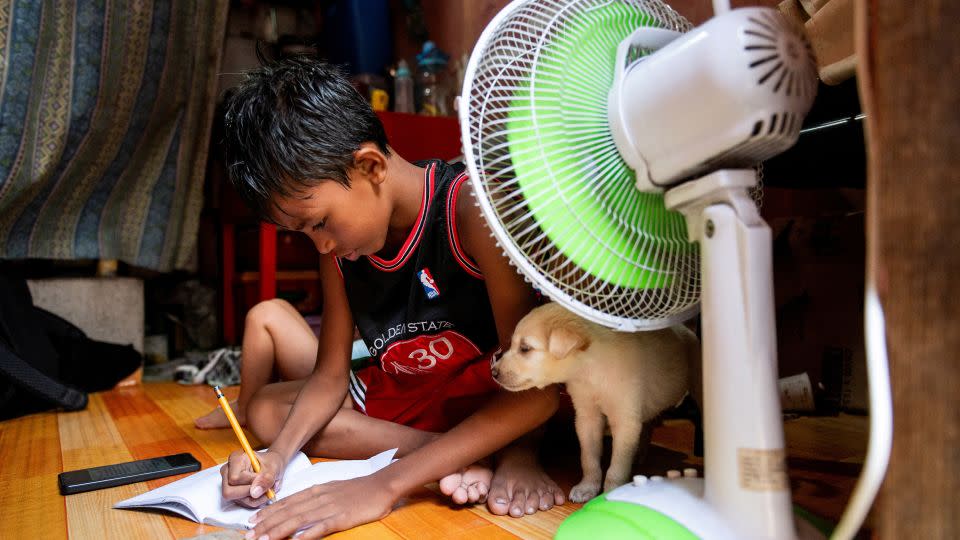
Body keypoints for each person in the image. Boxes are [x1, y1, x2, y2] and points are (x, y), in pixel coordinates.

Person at [218, 57, 565, 539]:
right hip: (415, 397)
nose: (321, 245)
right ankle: (456, 450)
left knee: (532, 397)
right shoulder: (338, 251)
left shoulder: (469, 212)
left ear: (370, 165)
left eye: (319, 223)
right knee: (264, 414)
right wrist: (276, 460)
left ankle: (509, 448)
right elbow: (329, 376)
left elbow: (540, 388)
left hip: (493, 395)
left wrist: (383, 485)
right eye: (303, 233)